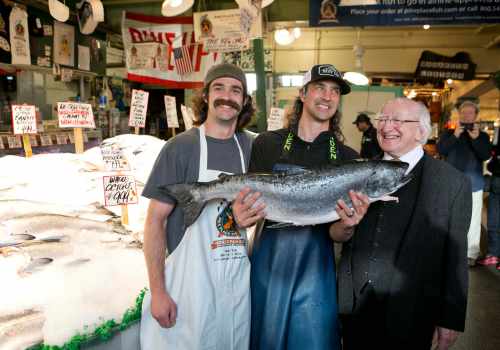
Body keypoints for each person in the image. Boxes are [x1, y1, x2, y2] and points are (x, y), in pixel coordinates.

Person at [140, 63, 264, 349]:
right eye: (218, 88)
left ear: (244, 101)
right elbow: (154, 221)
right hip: (188, 287)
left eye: (236, 90)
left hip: (235, 283)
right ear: (206, 95)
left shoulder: (254, 148)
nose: (227, 96)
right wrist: (158, 292)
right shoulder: (180, 147)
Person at [249, 64, 370, 350]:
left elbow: (337, 234)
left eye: (335, 91)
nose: (327, 96)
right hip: (269, 266)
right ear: (303, 94)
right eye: (319, 87)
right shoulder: (267, 144)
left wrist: (348, 225)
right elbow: (251, 206)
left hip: (317, 271)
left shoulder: (347, 158)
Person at [336, 98, 472, 350]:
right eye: (383, 119)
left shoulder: (452, 183)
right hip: (354, 307)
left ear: (422, 131)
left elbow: (455, 256)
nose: (387, 126)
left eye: (397, 120)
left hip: (414, 312)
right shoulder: (356, 171)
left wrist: (450, 318)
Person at [437, 100, 491, 266]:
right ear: (459, 114)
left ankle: (471, 254)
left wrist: (475, 139)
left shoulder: (482, 136)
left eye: (470, 113)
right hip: (451, 183)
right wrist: (455, 135)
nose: (466, 115)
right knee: (449, 217)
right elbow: (441, 150)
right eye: (463, 112)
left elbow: (485, 156)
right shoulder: (449, 132)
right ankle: (448, 251)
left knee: (473, 219)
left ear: (475, 116)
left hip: (473, 183)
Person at [478, 141, 500, 269]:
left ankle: (494, 253)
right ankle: (493, 253)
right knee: (493, 220)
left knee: (494, 220)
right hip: (496, 181)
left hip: (496, 178)